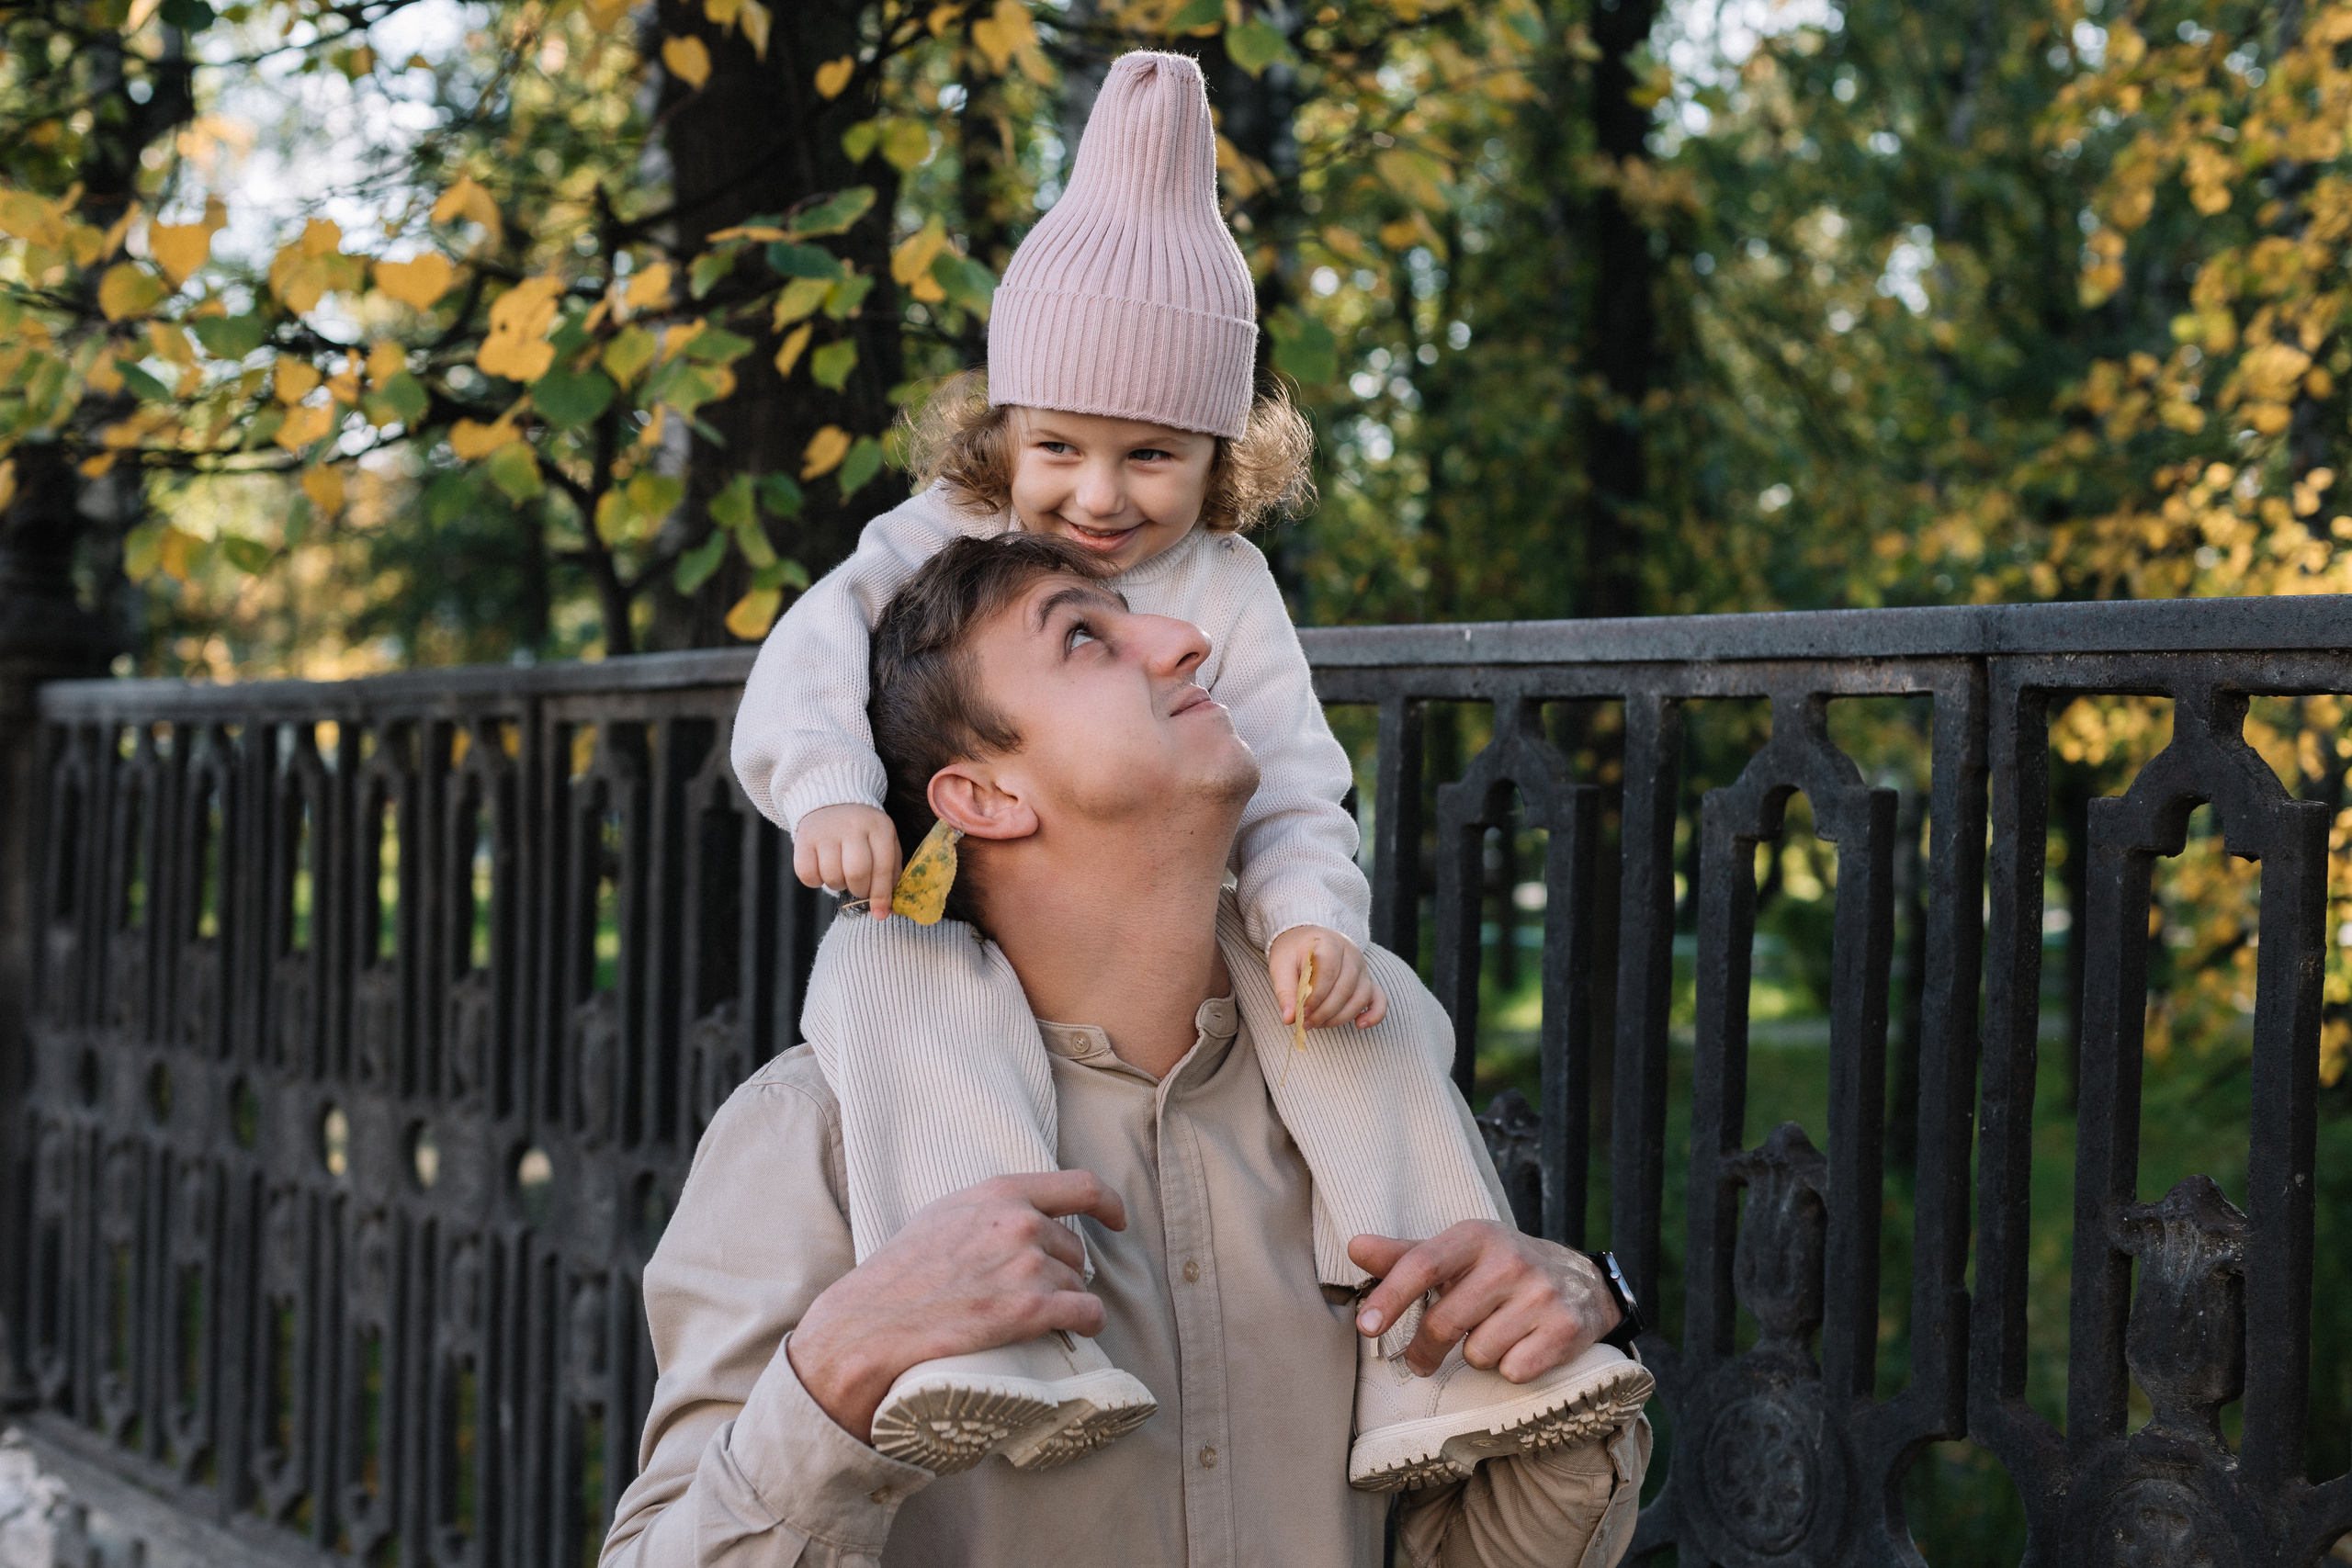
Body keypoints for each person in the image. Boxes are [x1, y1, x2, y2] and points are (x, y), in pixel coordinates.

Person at [730, 49, 1617, 1483]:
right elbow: (810, 655)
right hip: (942, 888)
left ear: (1222, 454)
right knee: (892, 979)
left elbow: (1292, 781)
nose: (1097, 497)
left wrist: (1313, 916)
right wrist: (830, 786)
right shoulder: (938, 538)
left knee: (1365, 1020)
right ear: (1000, 433)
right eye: (1059, 447)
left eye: (1151, 457)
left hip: (1193, 930)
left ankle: (1433, 1360)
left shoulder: (1225, 588)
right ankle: (988, 1335)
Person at [605, 534, 1653, 1567]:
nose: (1189, 641)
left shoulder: (1372, 1100)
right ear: (982, 797)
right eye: (1083, 640)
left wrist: (1578, 1336)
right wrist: (837, 1367)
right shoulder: (813, 1138)